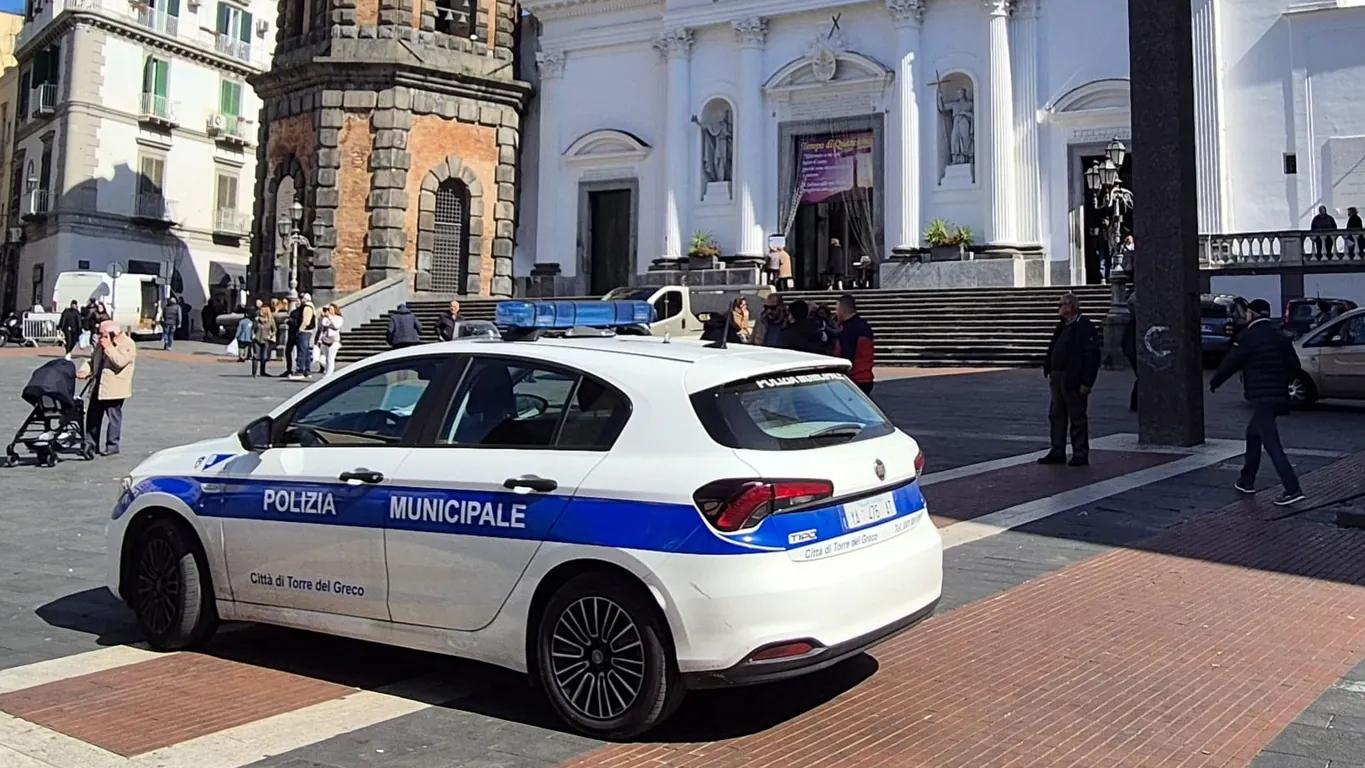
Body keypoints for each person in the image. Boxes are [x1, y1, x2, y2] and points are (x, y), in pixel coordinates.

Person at [1210, 298, 1305, 505]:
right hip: (1278, 395)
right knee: (1253, 434)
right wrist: (1283, 381)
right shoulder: (1280, 336)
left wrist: (1215, 382)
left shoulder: (1247, 337)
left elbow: (1231, 363)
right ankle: (1246, 480)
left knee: (1271, 443)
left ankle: (1292, 488)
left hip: (1261, 397)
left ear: (1251, 314)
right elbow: (1295, 365)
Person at [1038, 292, 1101, 467]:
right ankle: (1057, 450)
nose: (1059, 308)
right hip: (1057, 377)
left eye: (1062, 304)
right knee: (1056, 415)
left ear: (1071, 307)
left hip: (1073, 378)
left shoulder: (1084, 326)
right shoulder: (1062, 325)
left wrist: (1087, 382)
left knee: (1077, 417)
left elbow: (1091, 356)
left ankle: (1080, 453)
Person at [76, 320, 136, 456]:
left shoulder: (127, 344)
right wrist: (84, 370)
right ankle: (91, 444)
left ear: (112, 333)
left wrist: (109, 347)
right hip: (98, 384)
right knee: (93, 416)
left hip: (115, 387)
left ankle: (112, 445)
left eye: (102, 334)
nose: (99, 337)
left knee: (113, 417)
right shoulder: (100, 344)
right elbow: (91, 360)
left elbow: (120, 362)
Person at [834, 294, 875, 394]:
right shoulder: (864, 325)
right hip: (866, 376)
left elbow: (846, 356)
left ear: (843, 309)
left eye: (837, 309)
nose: (836, 313)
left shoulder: (848, 330)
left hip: (854, 378)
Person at [292, 294, 317, 380]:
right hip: (309, 331)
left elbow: (306, 320)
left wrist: (300, 329)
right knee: (306, 352)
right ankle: (307, 370)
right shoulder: (311, 307)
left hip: (305, 331)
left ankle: (300, 370)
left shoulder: (307, 307)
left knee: (302, 351)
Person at [251, 299, 277, 378]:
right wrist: (253, 335)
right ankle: (254, 372)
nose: (261, 312)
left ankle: (263, 371)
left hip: (266, 340)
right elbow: (253, 328)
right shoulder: (257, 320)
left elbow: (274, 329)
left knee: (264, 357)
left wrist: (271, 334)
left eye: (263, 310)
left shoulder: (270, 320)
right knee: (256, 356)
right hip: (257, 339)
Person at [319, 303, 344, 376]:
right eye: (329, 309)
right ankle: (328, 371)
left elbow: (336, 326)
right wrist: (323, 317)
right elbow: (323, 324)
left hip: (334, 341)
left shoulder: (339, 318)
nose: (329, 311)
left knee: (330, 358)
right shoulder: (326, 318)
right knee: (325, 358)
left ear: (335, 310)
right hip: (325, 340)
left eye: (331, 309)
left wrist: (330, 317)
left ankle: (328, 375)